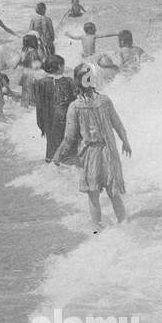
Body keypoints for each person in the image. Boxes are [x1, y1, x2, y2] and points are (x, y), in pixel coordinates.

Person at [59, 62, 132, 231]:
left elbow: (69, 137)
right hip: (108, 150)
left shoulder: (75, 106)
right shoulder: (105, 100)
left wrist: (62, 156)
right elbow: (117, 124)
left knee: (93, 196)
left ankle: (97, 229)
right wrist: (125, 141)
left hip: (90, 152)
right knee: (114, 193)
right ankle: (124, 225)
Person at [34, 54, 77, 164]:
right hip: (66, 118)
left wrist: (41, 125)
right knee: (68, 150)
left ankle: (52, 170)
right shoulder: (68, 81)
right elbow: (75, 102)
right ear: (59, 66)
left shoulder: (40, 83)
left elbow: (39, 106)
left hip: (49, 120)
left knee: (52, 149)